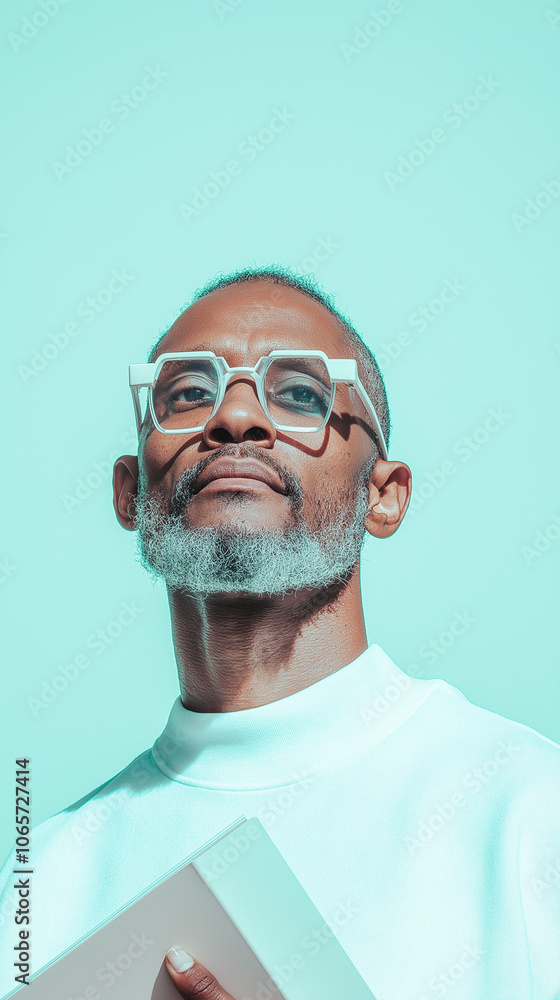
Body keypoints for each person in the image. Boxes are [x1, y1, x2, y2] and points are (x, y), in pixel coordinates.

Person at [1, 267, 559, 1000]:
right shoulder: (39, 882)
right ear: (130, 493)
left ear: (383, 496)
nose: (235, 417)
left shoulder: (528, 809)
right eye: (188, 393)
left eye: (300, 394)